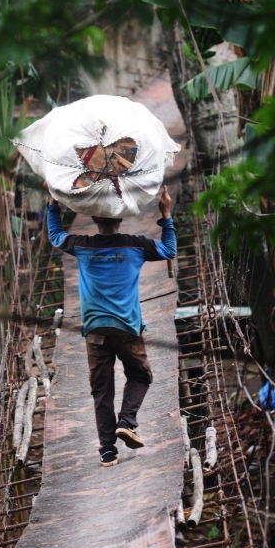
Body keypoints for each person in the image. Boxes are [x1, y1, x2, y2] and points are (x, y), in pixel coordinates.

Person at [46, 185, 177, 467]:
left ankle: (107, 451)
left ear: (94, 219)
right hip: (128, 327)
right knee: (140, 376)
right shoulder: (136, 244)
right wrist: (165, 213)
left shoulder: (81, 245)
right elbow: (169, 250)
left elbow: (55, 236)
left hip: (94, 329)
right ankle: (127, 422)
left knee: (101, 390)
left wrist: (52, 204)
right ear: (121, 217)